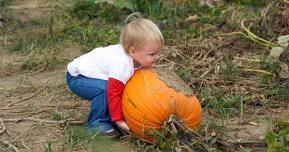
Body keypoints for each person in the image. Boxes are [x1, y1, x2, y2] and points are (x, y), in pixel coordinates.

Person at [66, 16, 164, 138]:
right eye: (152, 54)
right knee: (104, 90)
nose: (157, 57)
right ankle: (97, 124)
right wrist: (118, 119)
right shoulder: (121, 65)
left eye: (158, 52)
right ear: (132, 51)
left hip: (90, 75)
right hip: (78, 77)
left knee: (116, 87)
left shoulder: (136, 58)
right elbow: (113, 93)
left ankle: (110, 115)